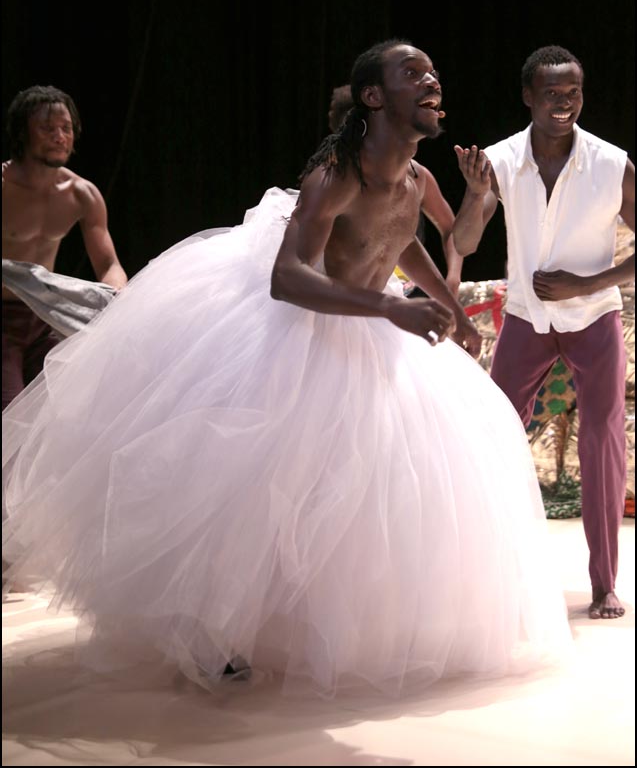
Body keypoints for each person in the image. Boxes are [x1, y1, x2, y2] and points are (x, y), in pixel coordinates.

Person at [2, 40, 571, 697]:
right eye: (412, 73)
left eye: (433, 72)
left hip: (372, 340)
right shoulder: (336, 176)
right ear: (373, 97)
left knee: (363, 489)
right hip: (301, 337)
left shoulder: (416, 179)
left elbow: (402, 241)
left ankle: (319, 629)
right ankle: (213, 632)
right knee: (265, 490)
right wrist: (390, 307)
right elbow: (286, 278)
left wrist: (450, 305)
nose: (431, 81)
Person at [452, 45, 635, 622]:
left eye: (573, 92)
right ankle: (488, 576)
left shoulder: (612, 164)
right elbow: (463, 242)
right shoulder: (501, 160)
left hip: (594, 317)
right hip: (527, 318)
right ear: (528, 96)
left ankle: (604, 584)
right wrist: (475, 194)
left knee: (602, 442)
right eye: (552, 93)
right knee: (495, 434)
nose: (564, 103)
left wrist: (589, 283)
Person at [2, 85, 127, 409]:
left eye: (66, 128)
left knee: (61, 412)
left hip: (45, 317)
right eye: (47, 128)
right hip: (4, 318)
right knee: (9, 414)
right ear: (23, 133)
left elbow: (108, 264)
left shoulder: (81, 193)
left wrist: (117, 296)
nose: (60, 137)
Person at [327, 81, 464, 297]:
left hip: (394, 290)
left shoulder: (417, 176)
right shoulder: (336, 181)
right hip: (339, 295)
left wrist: (453, 278)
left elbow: (443, 231)